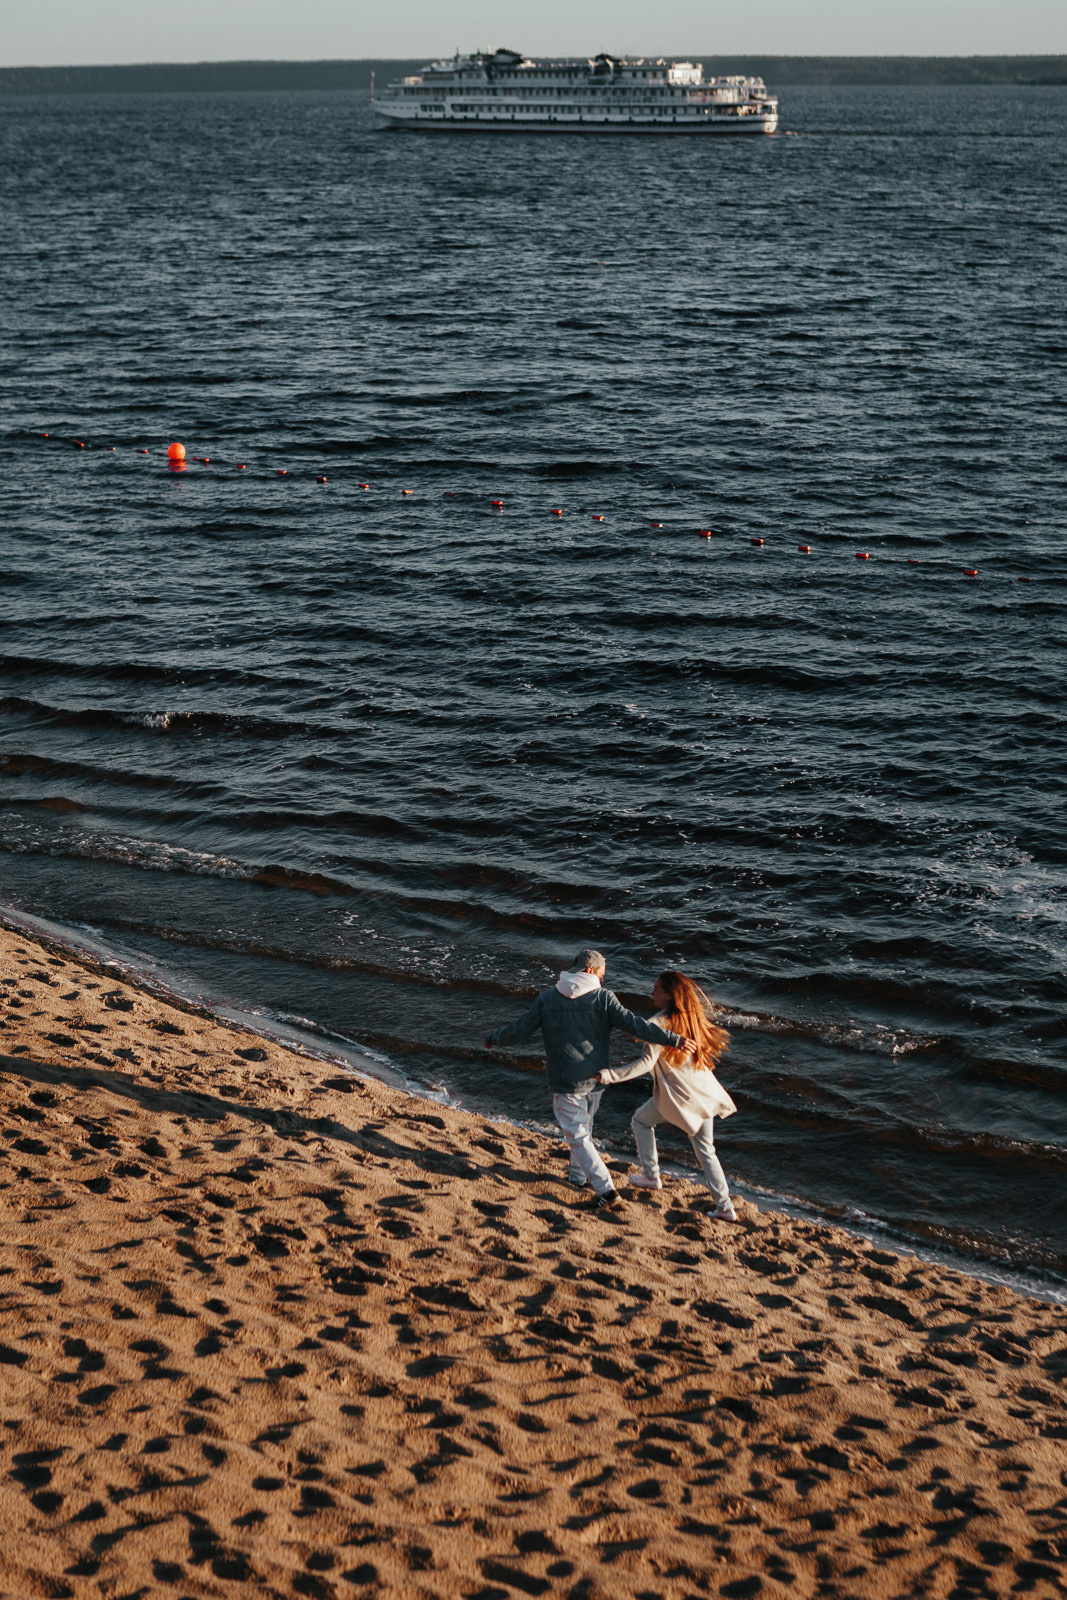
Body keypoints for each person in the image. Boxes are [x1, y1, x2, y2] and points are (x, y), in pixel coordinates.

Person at [484, 949, 698, 1214]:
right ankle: (579, 1179)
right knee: (582, 1133)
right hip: (596, 1079)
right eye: (600, 973)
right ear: (588, 970)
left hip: (566, 1081)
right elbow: (635, 1025)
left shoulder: (548, 998)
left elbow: (520, 1029)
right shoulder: (603, 998)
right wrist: (672, 1039)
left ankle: (605, 1189)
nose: (602, 979)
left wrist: (494, 1038)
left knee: (579, 1135)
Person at [596, 969, 738, 1222]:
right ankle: (724, 1206)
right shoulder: (691, 1018)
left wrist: (609, 1075)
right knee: (706, 1151)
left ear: (670, 995)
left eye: (657, 989)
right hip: (704, 1093)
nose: (651, 993)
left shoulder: (657, 1024)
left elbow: (645, 1064)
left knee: (640, 1120)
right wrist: (640, 1032)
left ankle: (651, 1175)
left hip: (681, 1097)